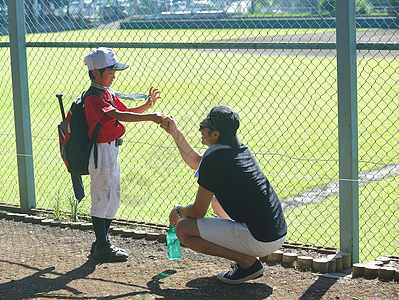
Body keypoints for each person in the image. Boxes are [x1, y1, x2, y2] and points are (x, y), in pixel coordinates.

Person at [160, 105, 287, 284]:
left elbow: (197, 211)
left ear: (215, 134)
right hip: (275, 232)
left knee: (183, 229)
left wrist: (178, 211)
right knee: (216, 202)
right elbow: (197, 162)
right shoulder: (237, 149)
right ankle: (247, 256)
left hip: (262, 238)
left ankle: (247, 262)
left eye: (202, 127)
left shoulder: (215, 160)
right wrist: (174, 132)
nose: (201, 131)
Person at [83, 47, 163, 263]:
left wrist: (147, 106)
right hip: (101, 151)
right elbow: (119, 115)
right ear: (96, 73)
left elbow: (126, 110)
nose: (114, 76)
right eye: (110, 73)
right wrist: (151, 117)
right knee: (102, 197)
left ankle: (102, 242)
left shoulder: (106, 93)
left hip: (112, 149)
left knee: (113, 197)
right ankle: (102, 246)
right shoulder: (93, 97)